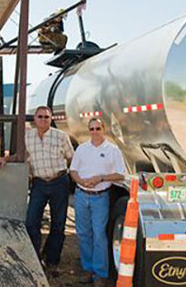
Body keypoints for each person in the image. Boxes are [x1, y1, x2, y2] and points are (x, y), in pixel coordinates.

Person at [0, 106, 74, 270]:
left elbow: (71, 157)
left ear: (51, 118)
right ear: (35, 119)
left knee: (58, 224)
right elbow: (21, 155)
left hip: (59, 182)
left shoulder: (60, 136)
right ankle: (35, 258)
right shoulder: (27, 137)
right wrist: (5, 159)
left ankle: (52, 260)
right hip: (39, 184)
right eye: (40, 117)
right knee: (31, 221)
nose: (43, 119)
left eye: (46, 117)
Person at [70, 118, 126, 287]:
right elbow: (73, 170)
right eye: (92, 129)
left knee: (99, 235)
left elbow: (121, 175)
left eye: (98, 128)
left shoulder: (112, 150)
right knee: (83, 233)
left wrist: (101, 178)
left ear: (104, 129)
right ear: (89, 131)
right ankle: (88, 269)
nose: (95, 132)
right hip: (81, 195)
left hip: (100, 197)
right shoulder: (82, 149)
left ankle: (100, 273)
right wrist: (80, 181)